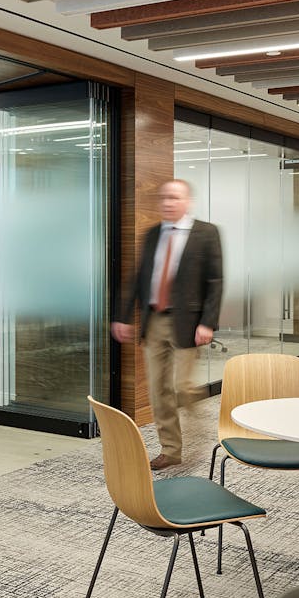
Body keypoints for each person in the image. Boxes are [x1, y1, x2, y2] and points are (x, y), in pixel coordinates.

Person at [111, 179, 223, 470]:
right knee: (158, 390)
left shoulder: (206, 233)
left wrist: (208, 322)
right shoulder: (152, 234)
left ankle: (202, 431)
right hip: (156, 319)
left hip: (188, 321)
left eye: (174, 197)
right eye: (163, 198)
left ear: (188, 202)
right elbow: (139, 278)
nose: (167, 203)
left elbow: (215, 281)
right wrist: (122, 316)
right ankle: (170, 451)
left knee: (181, 386)